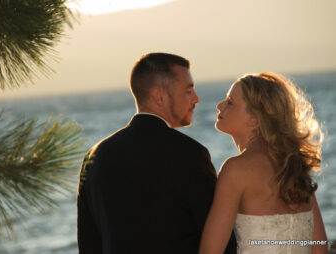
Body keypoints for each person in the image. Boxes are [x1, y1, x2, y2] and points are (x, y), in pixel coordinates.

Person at [77, 52, 237, 254]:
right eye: (188, 91)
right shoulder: (189, 153)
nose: (196, 99)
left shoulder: (94, 156)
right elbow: (218, 236)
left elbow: (88, 241)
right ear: (159, 96)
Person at [199, 72, 328, 254]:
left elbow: (210, 251)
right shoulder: (295, 166)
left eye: (230, 102)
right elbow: (320, 248)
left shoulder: (236, 169)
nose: (219, 106)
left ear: (255, 120)